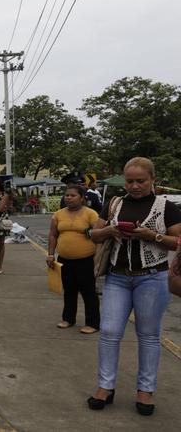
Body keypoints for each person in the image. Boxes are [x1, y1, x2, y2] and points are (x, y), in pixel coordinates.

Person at [86, 157, 181, 415]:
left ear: (152, 180)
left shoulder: (165, 207)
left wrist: (153, 236)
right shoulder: (115, 203)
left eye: (141, 181)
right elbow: (93, 234)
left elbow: (178, 240)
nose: (135, 186)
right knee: (108, 332)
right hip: (117, 277)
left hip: (152, 277)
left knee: (148, 335)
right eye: (130, 181)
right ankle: (106, 386)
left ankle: (145, 390)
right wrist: (110, 231)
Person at [46, 184, 101, 334]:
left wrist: (97, 258)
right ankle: (68, 318)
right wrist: (50, 254)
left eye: (73, 195)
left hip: (86, 259)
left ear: (82, 198)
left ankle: (93, 323)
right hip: (64, 259)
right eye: (67, 195)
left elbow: (98, 236)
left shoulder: (90, 214)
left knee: (88, 291)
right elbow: (53, 235)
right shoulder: (58, 214)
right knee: (69, 290)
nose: (68, 198)